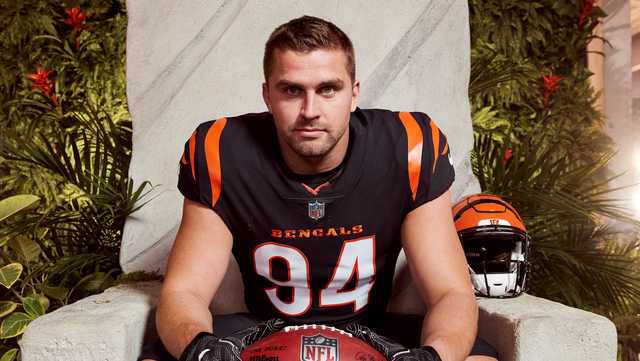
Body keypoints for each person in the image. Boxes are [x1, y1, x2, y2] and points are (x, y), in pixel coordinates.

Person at [139, 15, 499, 361]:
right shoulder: (221, 150)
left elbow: (450, 293)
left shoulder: (408, 147)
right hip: (263, 330)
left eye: (328, 89)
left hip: (372, 328)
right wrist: (202, 350)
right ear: (267, 96)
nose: (310, 110)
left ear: (354, 94)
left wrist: (432, 357)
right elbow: (184, 291)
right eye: (292, 90)